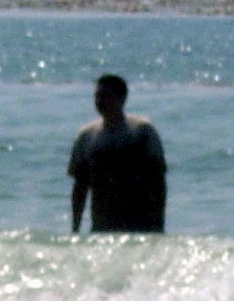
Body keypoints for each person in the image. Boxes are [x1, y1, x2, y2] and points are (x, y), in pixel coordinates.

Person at [68, 74, 168, 234]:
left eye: (106, 96)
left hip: (141, 226)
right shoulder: (87, 136)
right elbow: (80, 187)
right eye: (97, 96)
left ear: (122, 99)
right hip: (102, 227)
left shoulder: (142, 131)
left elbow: (158, 181)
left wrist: (158, 225)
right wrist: (75, 230)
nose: (100, 102)